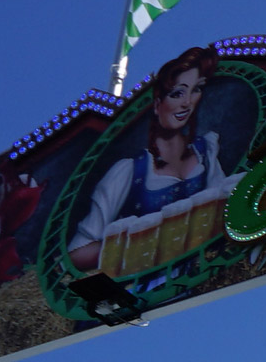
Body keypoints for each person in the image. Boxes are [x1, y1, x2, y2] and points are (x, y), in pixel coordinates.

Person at [70, 51, 240, 278]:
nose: (187, 102)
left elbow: (224, 213)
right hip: (144, 284)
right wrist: (139, 246)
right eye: (177, 93)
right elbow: (77, 252)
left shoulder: (207, 154)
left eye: (196, 90)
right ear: (157, 104)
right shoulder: (129, 172)